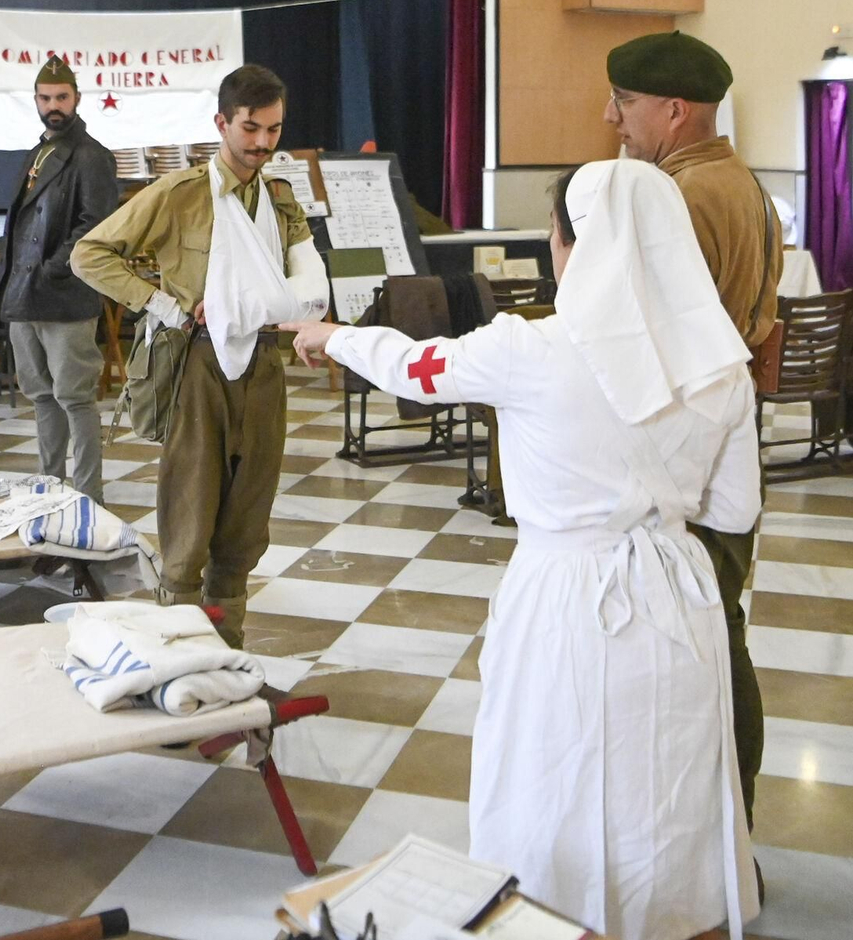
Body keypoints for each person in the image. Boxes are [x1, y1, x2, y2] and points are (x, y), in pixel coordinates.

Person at [281, 159, 760, 940]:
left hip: (565, 599)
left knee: (556, 784)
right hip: (677, 598)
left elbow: (414, 366)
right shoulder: (722, 367)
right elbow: (734, 509)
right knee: (668, 793)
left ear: (573, 245)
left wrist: (334, 336)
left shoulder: (528, 348)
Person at [72, 64, 329, 647]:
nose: (262, 142)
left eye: (273, 129)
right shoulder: (180, 195)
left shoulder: (279, 199)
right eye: (250, 128)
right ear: (221, 122)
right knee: (189, 517)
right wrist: (163, 305)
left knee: (246, 522)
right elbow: (90, 254)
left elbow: (304, 278)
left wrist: (302, 318)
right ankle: (181, 655)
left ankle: (227, 652)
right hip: (198, 365)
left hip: (263, 365)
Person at [606, 30, 781, 839]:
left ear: (675, 110)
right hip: (730, 446)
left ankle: (711, 841)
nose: (612, 118)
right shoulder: (742, 182)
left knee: (700, 647)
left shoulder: (672, 198)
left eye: (625, 101)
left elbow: (640, 342)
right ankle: (731, 831)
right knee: (722, 629)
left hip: (686, 460)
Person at [0, 55, 119, 503]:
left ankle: (87, 498)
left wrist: (51, 269)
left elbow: (94, 227)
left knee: (75, 397)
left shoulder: (92, 156)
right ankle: (50, 489)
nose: (53, 106)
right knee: (41, 396)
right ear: (36, 100)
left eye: (61, 97)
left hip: (64, 296)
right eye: (45, 98)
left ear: (77, 98)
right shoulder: (38, 151)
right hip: (24, 295)